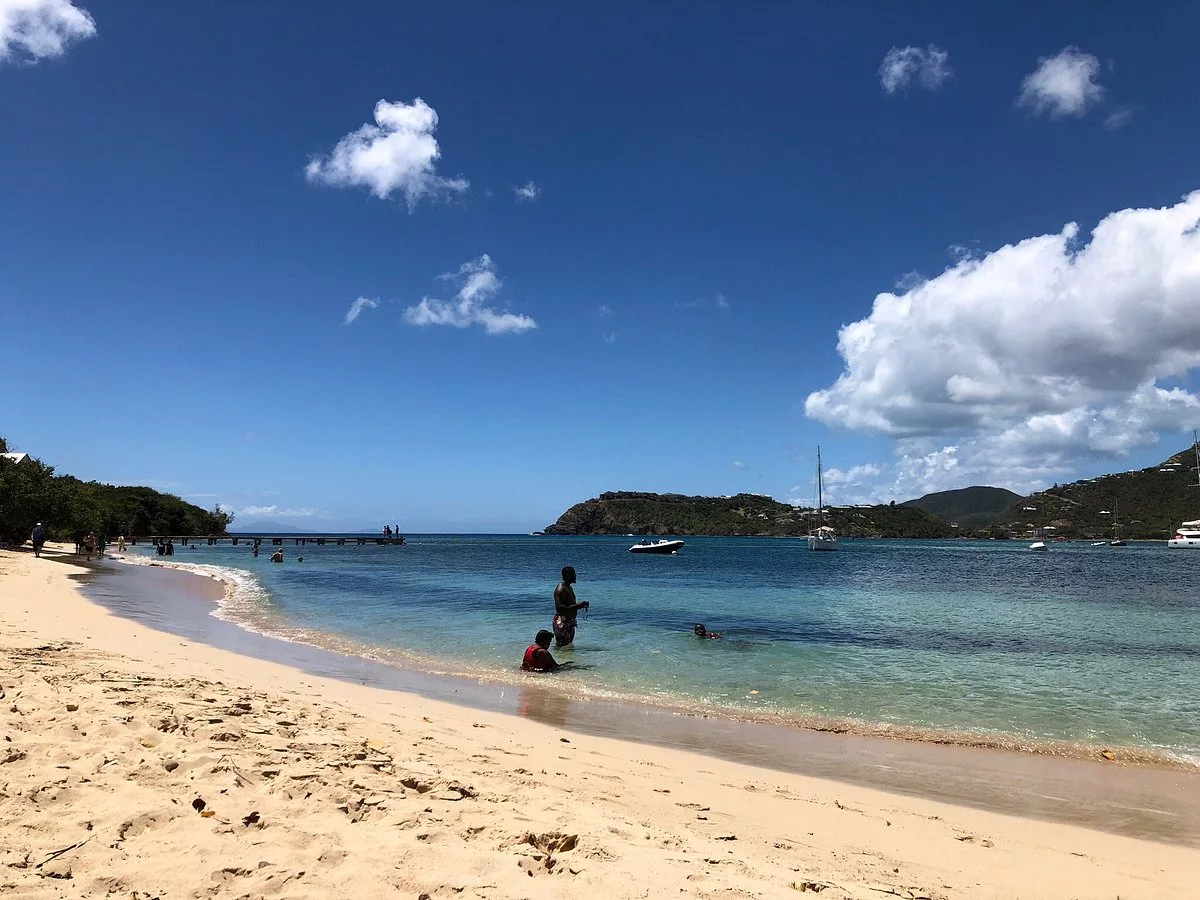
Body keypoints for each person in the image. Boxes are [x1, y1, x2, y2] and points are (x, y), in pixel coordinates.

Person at [552, 565, 589, 647]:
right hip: (562, 622)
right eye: (574, 574)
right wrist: (579, 606)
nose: (575, 576)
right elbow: (560, 608)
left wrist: (581, 605)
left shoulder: (569, 587)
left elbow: (569, 605)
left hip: (569, 621)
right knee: (562, 647)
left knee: (567, 647)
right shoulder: (561, 589)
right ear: (568, 575)